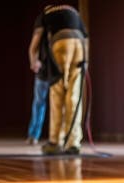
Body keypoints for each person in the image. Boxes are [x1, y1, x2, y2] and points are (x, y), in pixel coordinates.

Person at [28, 5, 89, 155]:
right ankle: (73, 143)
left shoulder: (45, 13)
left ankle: (55, 141)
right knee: (74, 96)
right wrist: (85, 62)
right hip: (79, 46)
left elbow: (35, 43)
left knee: (57, 93)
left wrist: (33, 61)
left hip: (60, 44)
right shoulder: (73, 11)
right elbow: (86, 37)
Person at [26, 31, 51, 145]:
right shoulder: (43, 21)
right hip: (44, 71)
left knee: (59, 104)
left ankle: (60, 138)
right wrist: (33, 62)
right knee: (39, 103)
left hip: (58, 71)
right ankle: (33, 135)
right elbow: (33, 47)